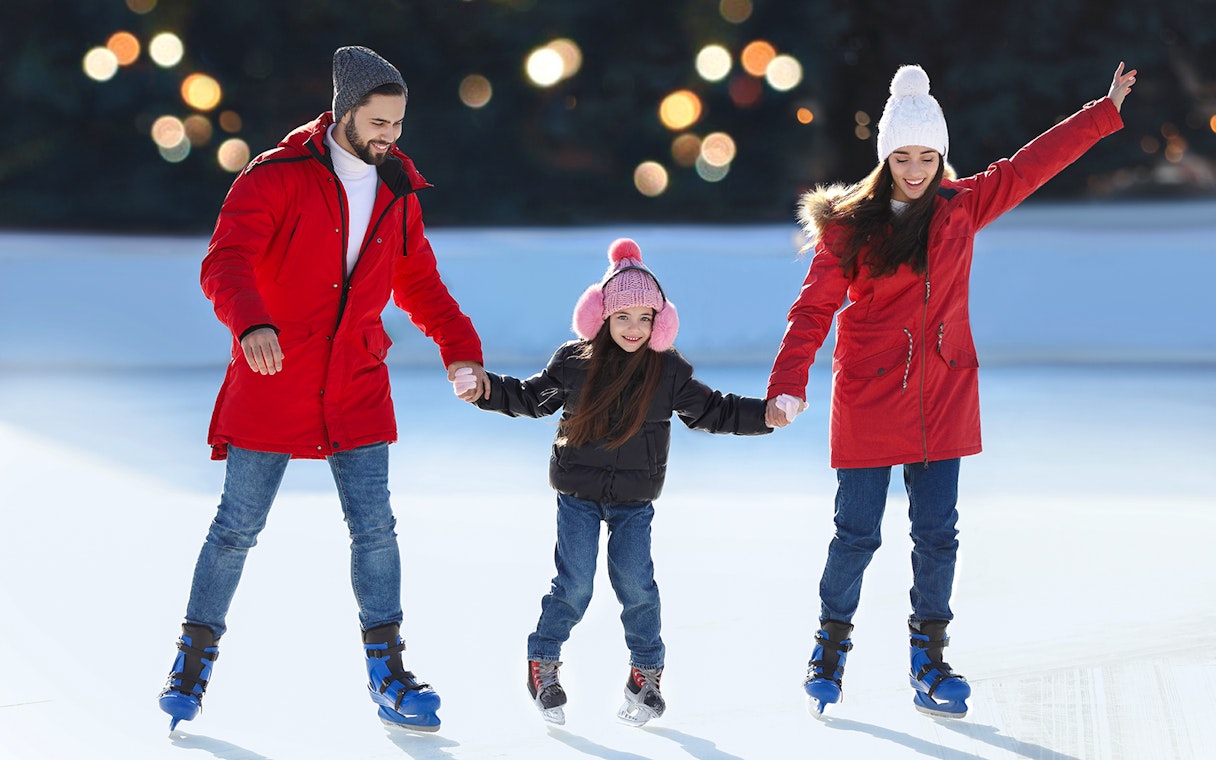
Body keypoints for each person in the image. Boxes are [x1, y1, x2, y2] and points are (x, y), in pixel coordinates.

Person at [765, 62, 1137, 719]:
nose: (914, 169)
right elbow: (812, 310)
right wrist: (788, 382)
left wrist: (1101, 113)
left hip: (942, 395)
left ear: (941, 155)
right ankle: (829, 651)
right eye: (902, 157)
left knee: (938, 537)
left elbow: (1029, 166)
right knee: (856, 535)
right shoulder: (852, 225)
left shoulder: (961, 209)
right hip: (870, 398)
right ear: (885, 157)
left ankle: (930, 662)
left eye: (926, 156)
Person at [158, 45, 490, 734]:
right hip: (274, 378)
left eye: (397, 124)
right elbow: (227, 261)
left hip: (356, 384)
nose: (389, 137)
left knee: (375, 529)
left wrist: (461, 353)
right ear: (344, 112)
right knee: (236, 528)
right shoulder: (275, 178)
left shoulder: (395, 189)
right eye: (377, 123)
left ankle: (389, 670)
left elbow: (420, 285)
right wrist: (251, 323)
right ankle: (192, 659)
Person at [452, 238, 771, 726]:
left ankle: (645, 676)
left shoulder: (668, 370)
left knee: (636, 584)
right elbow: (529, 397)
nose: (634, 328)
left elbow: (713, 409)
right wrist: (485, 388)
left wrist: (765, 414)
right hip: (578, 495)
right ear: (601, 317)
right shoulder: (576, 361)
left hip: (634, 502)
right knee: (575, 584)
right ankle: (543, 661)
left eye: (646, 318)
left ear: (660, 322)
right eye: (623, 317)